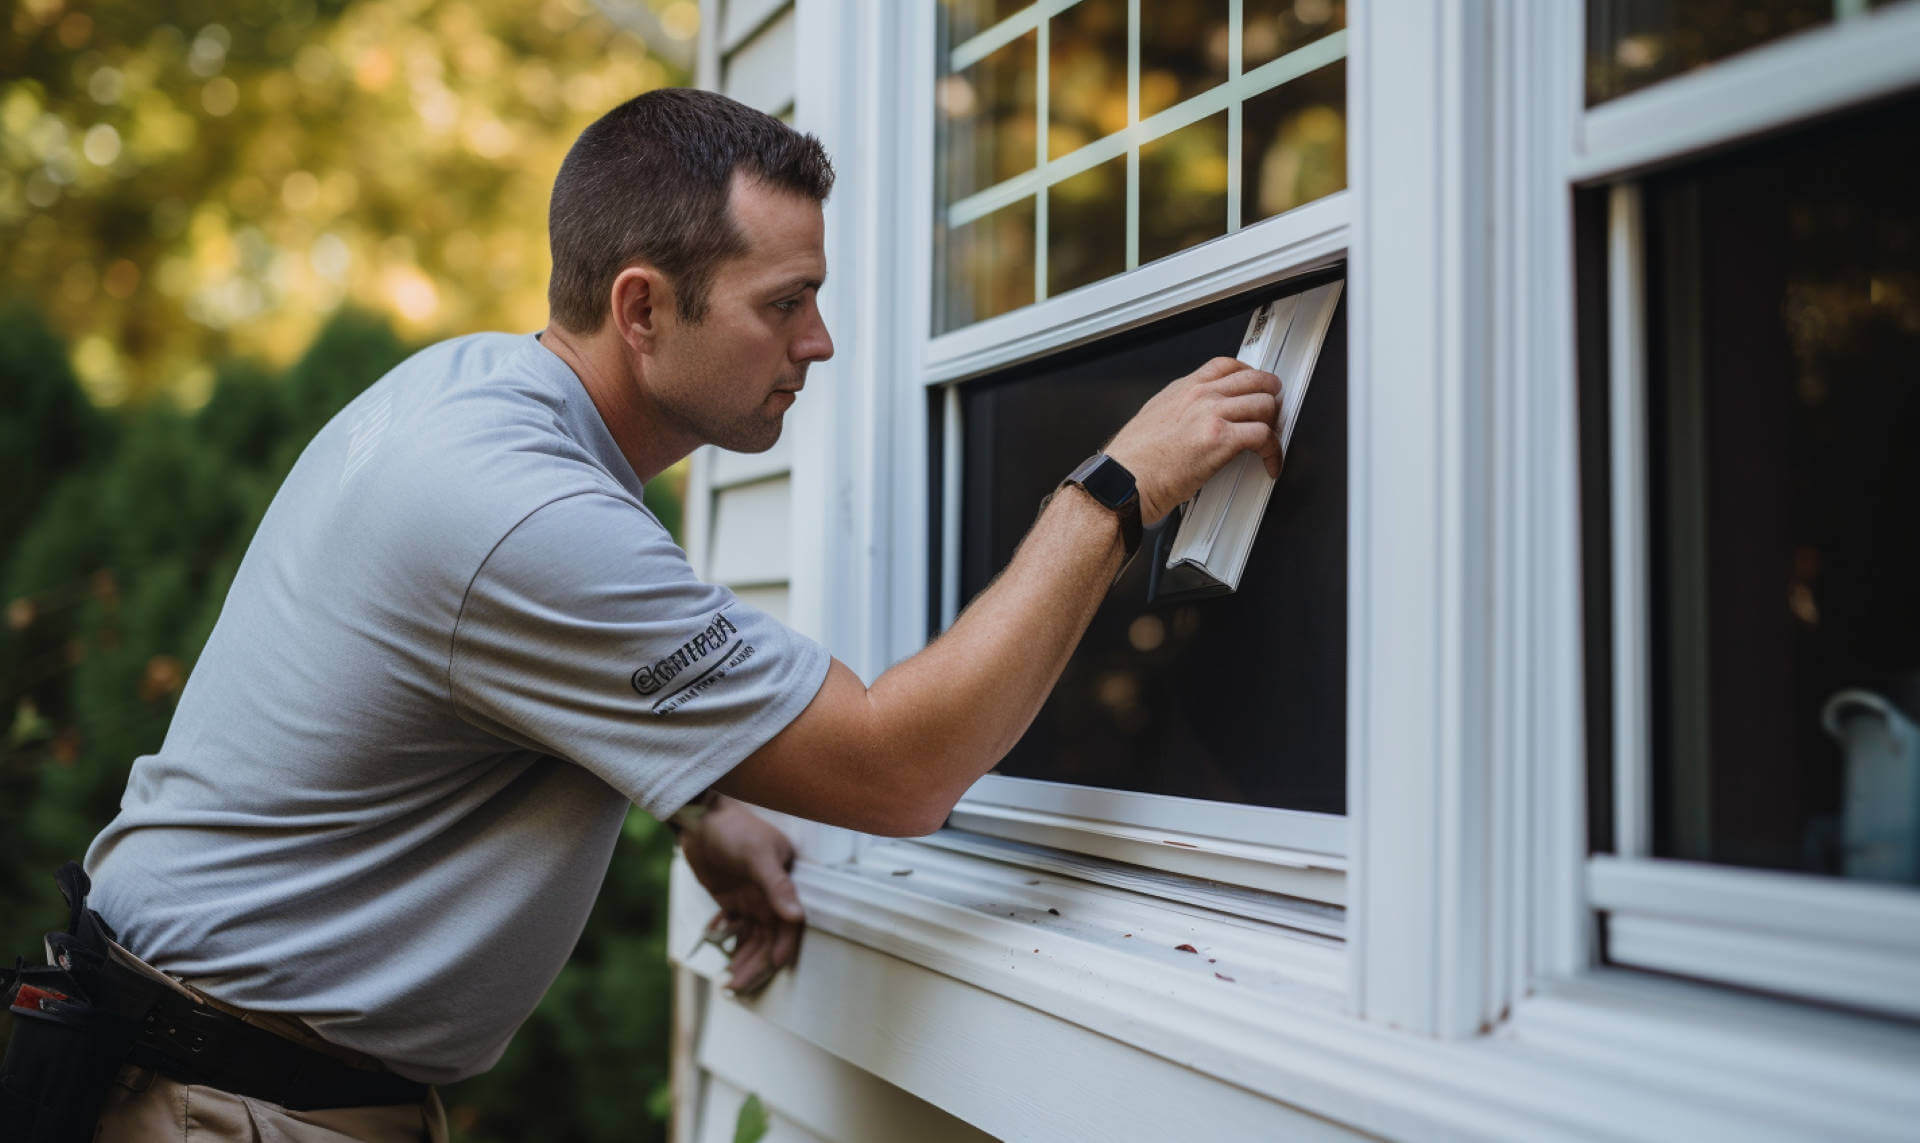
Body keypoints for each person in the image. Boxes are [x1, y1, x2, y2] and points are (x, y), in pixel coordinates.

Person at [30, 88, 1283, 1142]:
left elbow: (491, 678)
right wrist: (1116, 491)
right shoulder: (522, 512)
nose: (824, 341)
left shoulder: (471, 395)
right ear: (641, 309)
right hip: (224, 1110)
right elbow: (900, 773)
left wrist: (696, 799)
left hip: (206, 1066)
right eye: (782, 303)